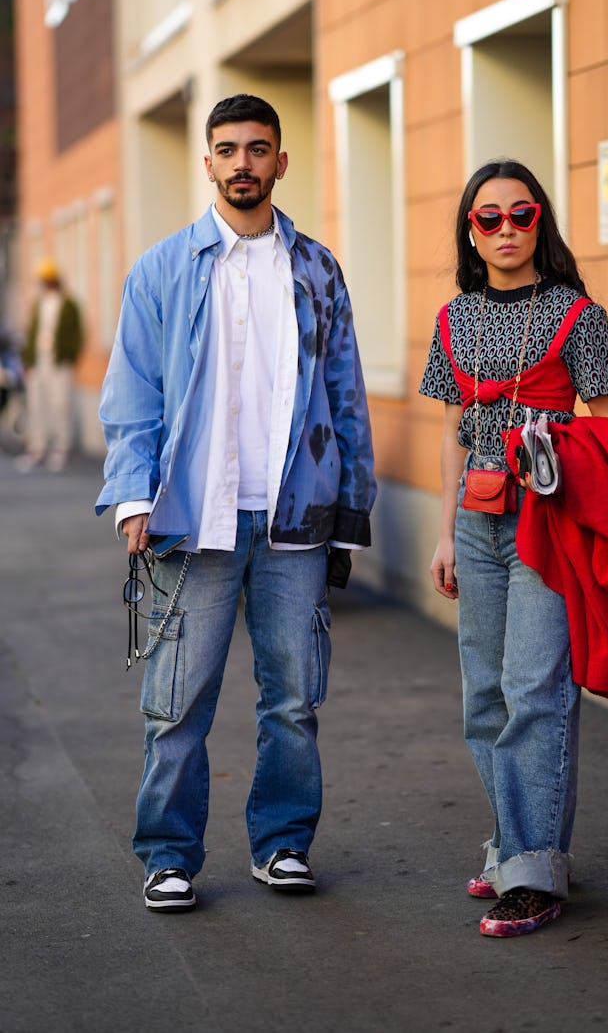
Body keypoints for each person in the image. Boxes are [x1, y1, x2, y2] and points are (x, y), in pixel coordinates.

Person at [96, 94, 376, 913]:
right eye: (228, 149)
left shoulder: (316, 268)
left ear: (281, 162)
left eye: (259, 148)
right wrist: (133, 499)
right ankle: (169, 856)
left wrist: (348, 515)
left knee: (293, 699)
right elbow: (133, 396)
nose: (243, 162)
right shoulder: (161, 269)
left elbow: (344, 394)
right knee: (176, 701)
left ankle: (283, 844)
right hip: (194, 519)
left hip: (295, 521)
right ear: (208, 162)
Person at [420, 158, 608, 937]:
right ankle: (510, 846)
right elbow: (448, 434)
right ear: (469, 232)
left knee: (534, 690)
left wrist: (550, 449)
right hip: (474, 524)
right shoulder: (453, 320)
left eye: (521, 215)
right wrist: (443, 531)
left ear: (539, 221)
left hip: (546, 521)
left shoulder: (577, 316)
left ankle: (535, 870)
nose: (505, 230)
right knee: (484, 695)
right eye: (488, 218)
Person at [16, 258, 83, 472]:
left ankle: (61, 447)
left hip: (58, 361)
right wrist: (28, 359)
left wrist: (68, 357)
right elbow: (32, 332)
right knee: (37, 404)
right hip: (39, 361)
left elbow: (76, 334)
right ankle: (38, 447)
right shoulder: (39, 303)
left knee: (60, 403)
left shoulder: (68, 304)